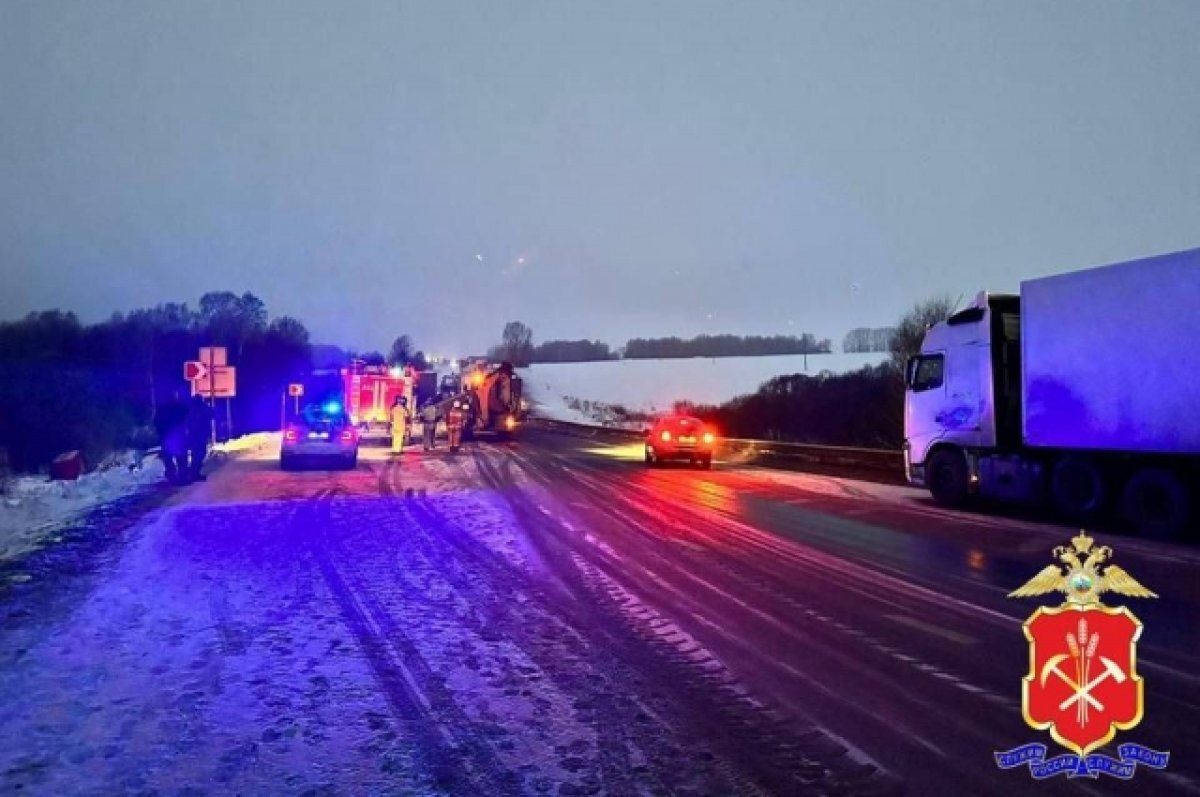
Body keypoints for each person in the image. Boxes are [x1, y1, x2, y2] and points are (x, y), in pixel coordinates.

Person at [153, 390, 189, 484]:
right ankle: (182, 475)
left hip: (167, 434)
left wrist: (160, 432)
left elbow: (157, 421)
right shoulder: (180, 407)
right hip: (178, 434)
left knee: (168, 456)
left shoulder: (163, 408)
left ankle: (172, 475)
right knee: (180, 456)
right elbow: (187, 418)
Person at [186, 395, 214, 482]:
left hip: (193, 434)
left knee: (196, 453)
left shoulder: (190, 408)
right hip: (201, 434)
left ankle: (193, 472)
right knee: (200, 453)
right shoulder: (202, 407)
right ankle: (194, 473)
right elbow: (212, 414)